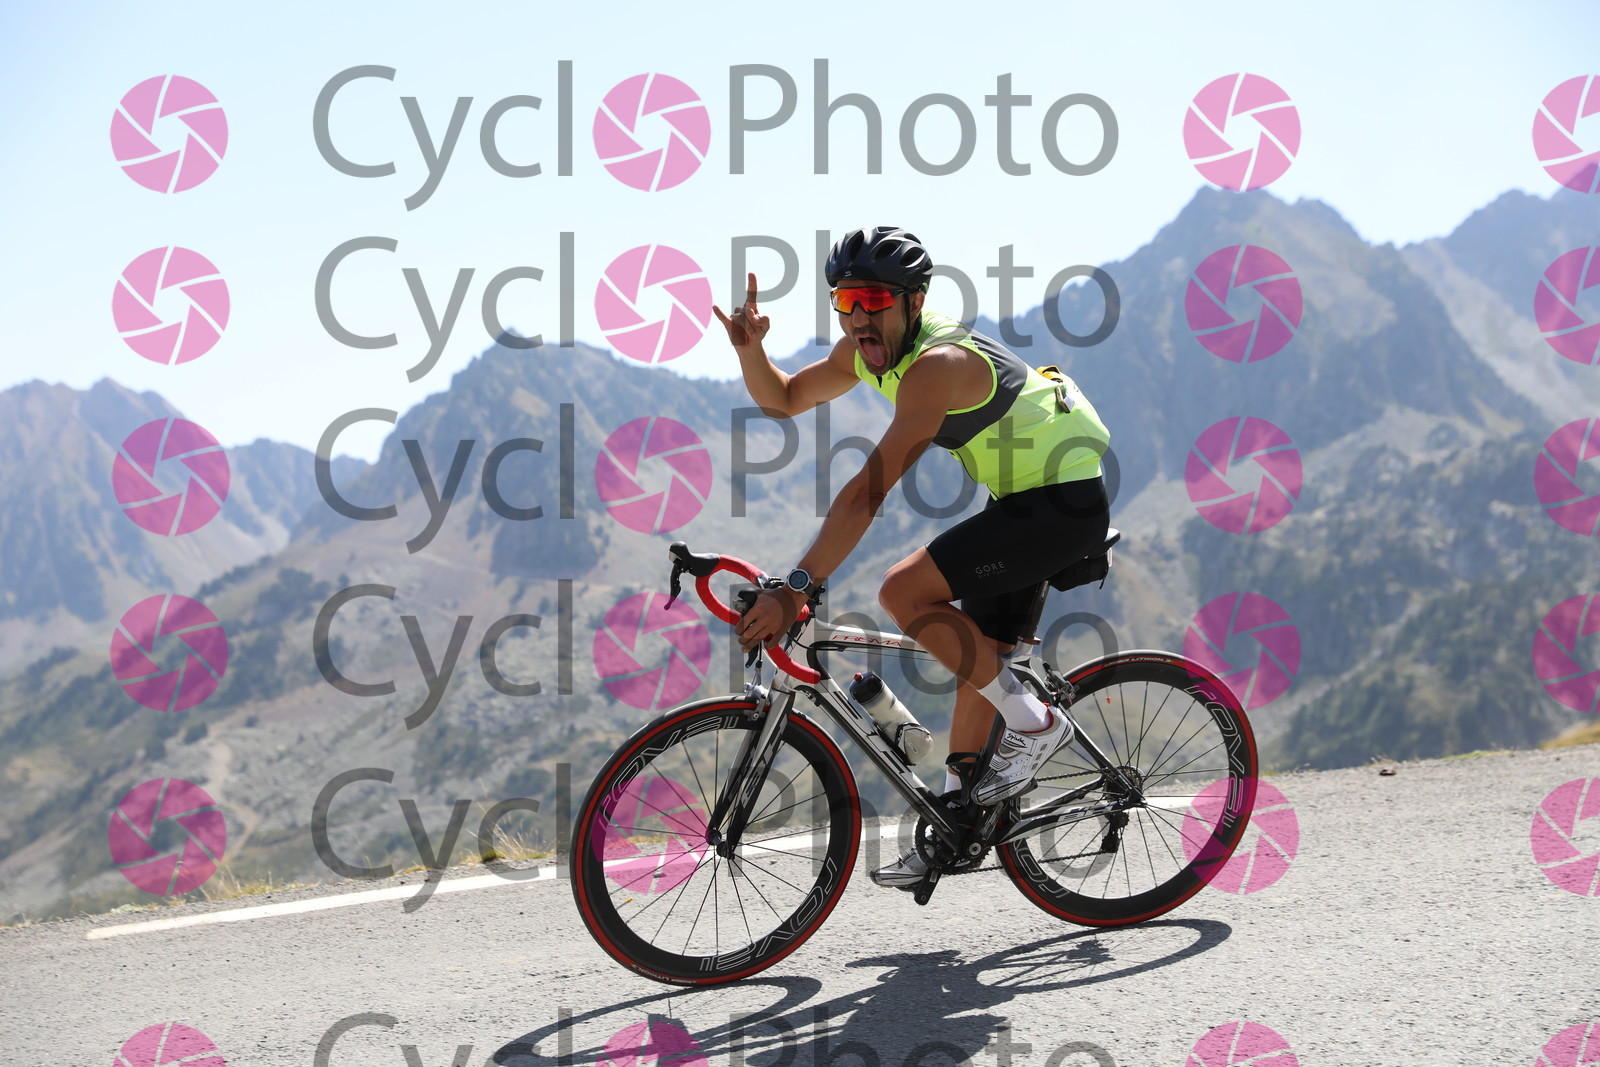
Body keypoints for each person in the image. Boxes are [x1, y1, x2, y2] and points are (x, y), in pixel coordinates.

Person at [711, 226, 1112, 887]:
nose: (858, 317)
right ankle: (960, 818)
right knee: (976, 658)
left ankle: (1037, 726)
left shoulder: (935, 367)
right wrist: (751, 351)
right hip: (1020, 499)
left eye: (873, 300)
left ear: (914, 302)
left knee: (903, 591)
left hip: (1062, 504)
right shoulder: (864, 352)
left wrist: (798, 587)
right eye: (845, 301)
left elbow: (869, 491)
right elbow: (784, 397)